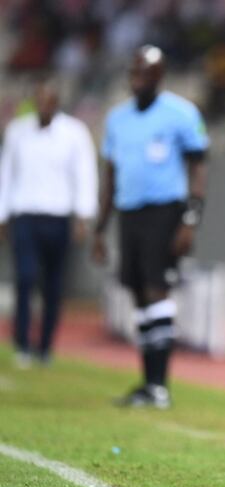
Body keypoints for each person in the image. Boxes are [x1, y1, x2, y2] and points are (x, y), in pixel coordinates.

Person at [92, 45, 209, 409]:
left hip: (165, 212)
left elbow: (198, 168)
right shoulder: (117, 119)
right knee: (140, 295)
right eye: (135, 71)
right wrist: (100, 228)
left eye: (146, 72)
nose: (138, 78)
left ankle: (159, 385)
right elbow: (110, 177)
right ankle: (148, 383)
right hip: (129, 214)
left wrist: (190, 219)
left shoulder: (181, 113)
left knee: (157, 291)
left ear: (160, 75)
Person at [0, 79, 98, 368]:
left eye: (49, 100)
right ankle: (21, 342)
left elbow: (84, 173)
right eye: (40, 99)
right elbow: (6, 173)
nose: (44, 105)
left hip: (58, 216)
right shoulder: (18, 131)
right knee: (25, 277)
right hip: (26, 214)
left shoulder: (74, 132)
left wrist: (83, 215)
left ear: (57, 102)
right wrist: (2, 215)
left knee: (53, 284)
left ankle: (45, 345)